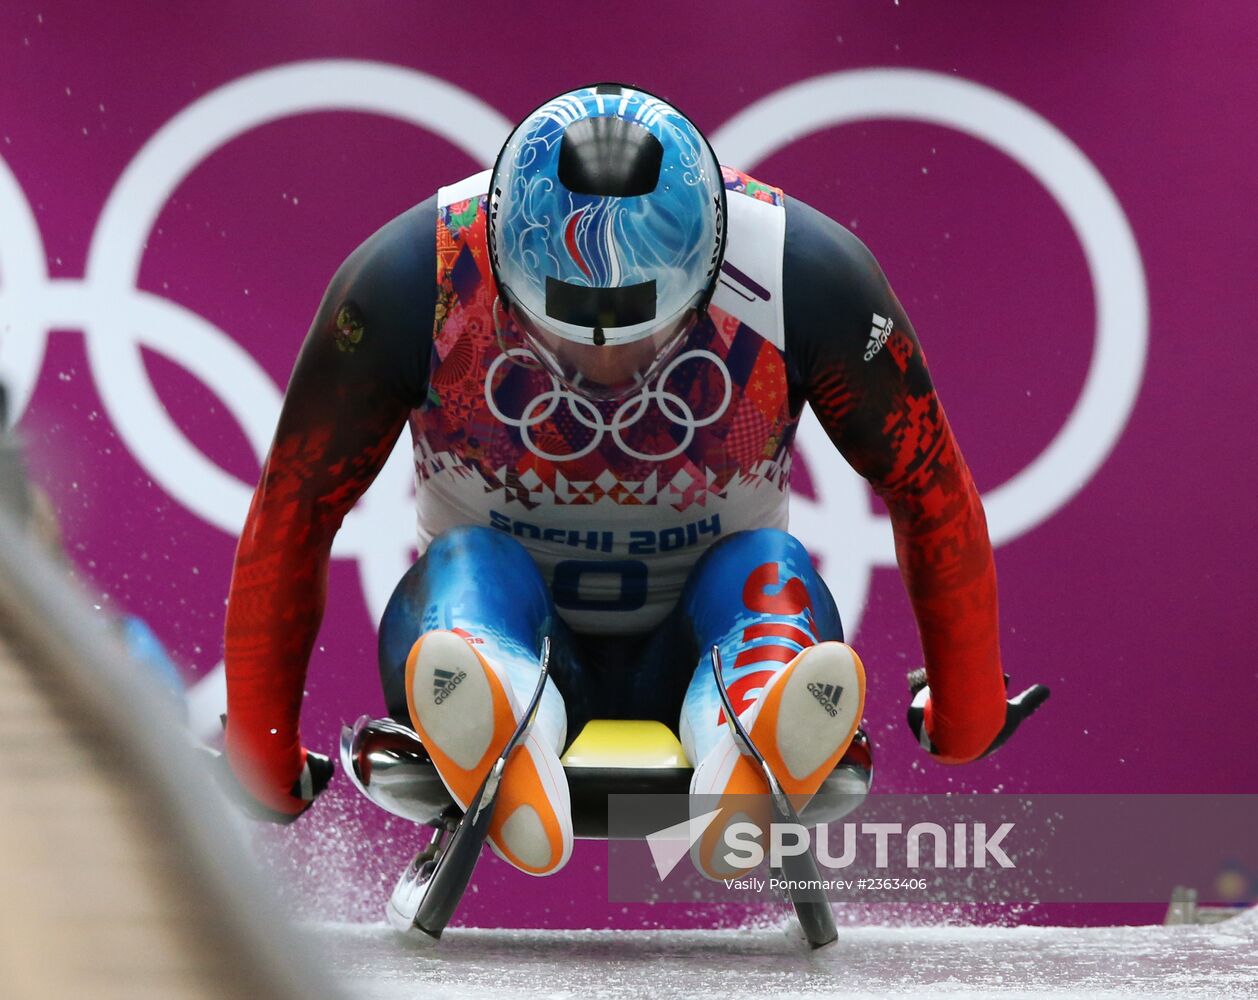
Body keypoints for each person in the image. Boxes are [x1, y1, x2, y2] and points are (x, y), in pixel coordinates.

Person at [222, 84, 1048, 876]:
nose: (605, 362)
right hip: (507, 622)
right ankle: (501, 699)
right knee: (471, 565)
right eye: (564, 324)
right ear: (503, 267)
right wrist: (262, 749)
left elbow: (925, 483)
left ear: (713, 263)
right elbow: (298, 510)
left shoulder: (809, 274)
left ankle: (747, 717)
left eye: (640, 327)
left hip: (701, 641)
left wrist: (965, 710)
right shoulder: (412, 280)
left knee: (764, 565)